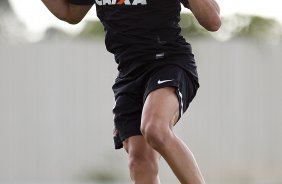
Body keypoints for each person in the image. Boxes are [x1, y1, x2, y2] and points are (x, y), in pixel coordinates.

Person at [41, 0, 221, 183]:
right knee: (139, 160)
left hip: (168, 61)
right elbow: (71, 13)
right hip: (129, 72)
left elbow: (213, 21)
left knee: (155, 129)